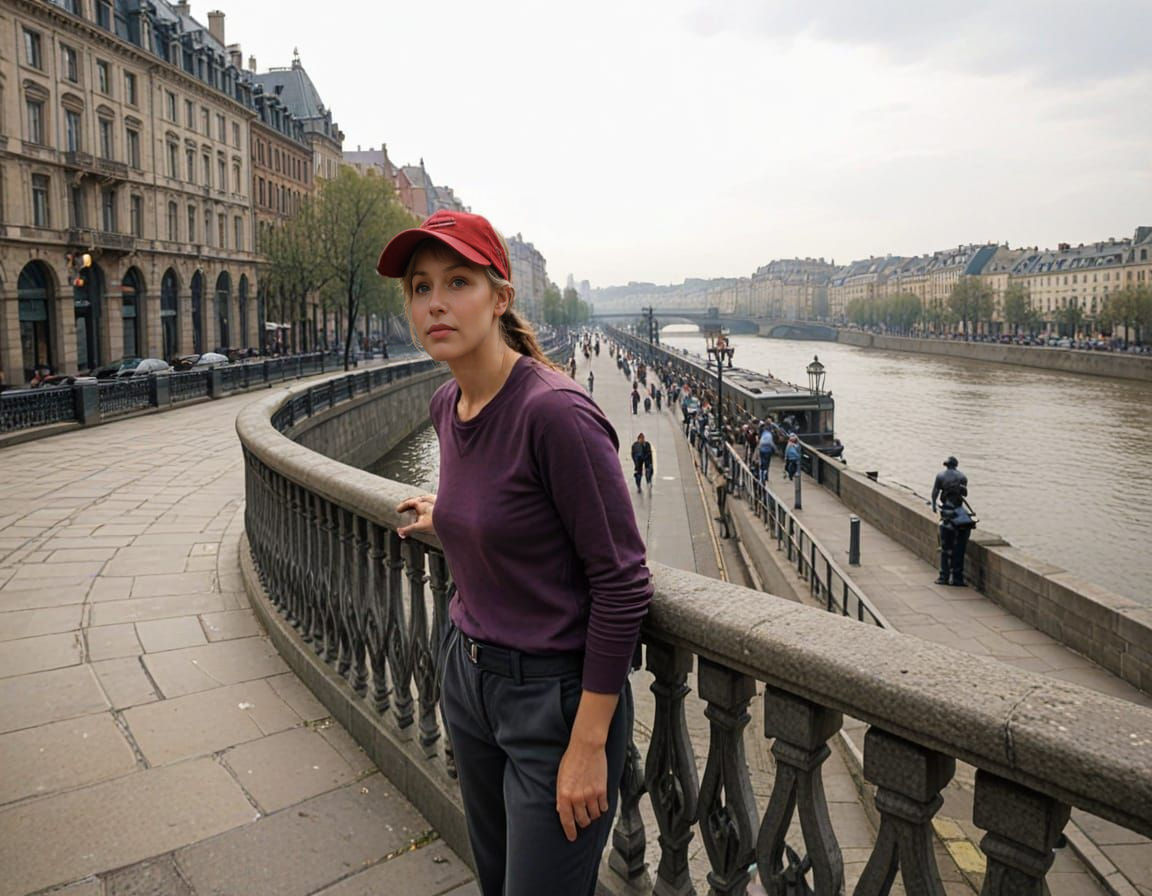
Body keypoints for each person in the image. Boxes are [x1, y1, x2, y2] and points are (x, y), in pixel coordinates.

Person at [380, 210, 651, 896]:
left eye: (458, 281)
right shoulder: (450, 405)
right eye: (419, 287)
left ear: (500, 298)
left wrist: (589, 744)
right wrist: (451, 515)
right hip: (469, 680)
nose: (435, 302)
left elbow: (622, 582)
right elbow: (509, 508)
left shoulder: (555, 413)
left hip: (553, 703)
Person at [932, 456, 972, 586]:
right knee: (959, 549)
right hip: (960, 517)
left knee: (945, 549)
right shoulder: (962, 477)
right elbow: (964, 494)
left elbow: (935, 493)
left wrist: (933, 505)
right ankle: (957, 578)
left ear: (946, 465)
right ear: (956, 465)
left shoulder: (940, 476)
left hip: (947, 515)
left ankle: (943, 577)